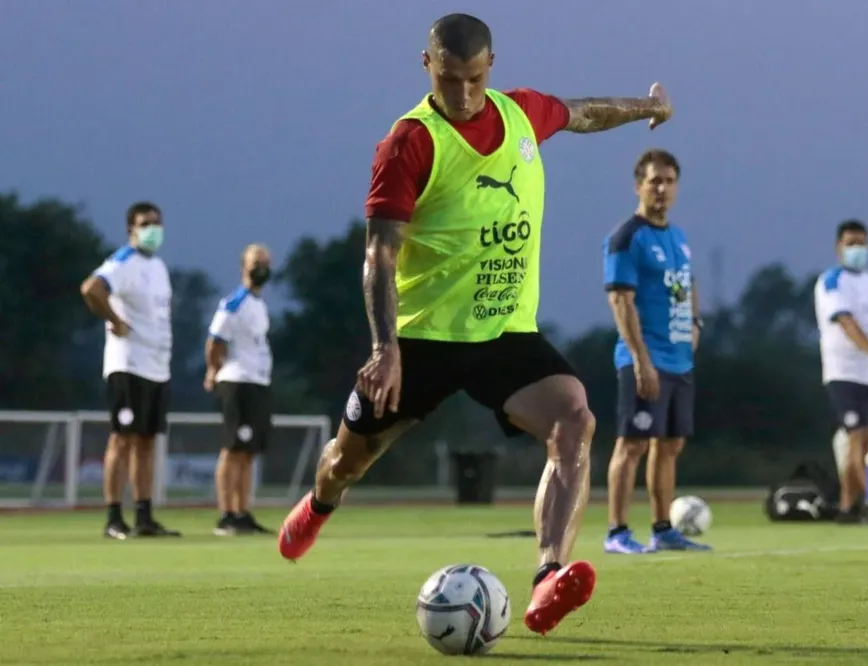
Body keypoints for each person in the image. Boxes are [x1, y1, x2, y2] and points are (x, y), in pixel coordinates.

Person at [277, 12, 673, 635]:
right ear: (427, 65)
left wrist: (644, 106)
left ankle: (547, 578)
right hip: (421, 339)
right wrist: (385, 348)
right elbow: (379, 253)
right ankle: (321, 504)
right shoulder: (410, 142)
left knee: (575, 419)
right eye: (450, 78)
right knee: (347, 461)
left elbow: (582, 112)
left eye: (474, 79)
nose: (462, 94)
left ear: (492, 67)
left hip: (502, 333)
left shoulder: (521, 114)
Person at [601, 149, 711, 554]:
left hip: (679, 359)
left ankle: (663, 529)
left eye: (668, 181)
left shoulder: (678, 237)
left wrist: (696, 324)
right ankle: (616, 532)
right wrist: (640, 359)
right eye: (654, 181)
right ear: (638, 186)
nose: (662, 189)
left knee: (670, 445)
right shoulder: (627, 238)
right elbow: (620, 302)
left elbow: (688, 283)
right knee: (632, 444)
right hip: (644, 359)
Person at [79, 201, 180, 539]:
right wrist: (114, 320)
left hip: (155, 368)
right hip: (129, 365)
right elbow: (91, 288)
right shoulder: (123, 261)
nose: (153, 229)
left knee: (147, 442)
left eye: (157, 222)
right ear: (131, 230)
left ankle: (144, 516)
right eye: (146, 223)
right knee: (122, 439)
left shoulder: (159, 267)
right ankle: (113, 518)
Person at [814, 219, 868, 523]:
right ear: (839, 247)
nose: (857, 249)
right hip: (844, 370)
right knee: (855, 434)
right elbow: (846, 322)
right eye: (850, 243)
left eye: (861, 243)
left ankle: (848, 505)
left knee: (867, 440)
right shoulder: (831, 281)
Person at [204, 244, 275, 536]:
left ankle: (243, 511)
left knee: (249, 451)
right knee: (233, 448)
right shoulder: (235, 302)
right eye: (256, 262)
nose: (261, 267)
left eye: (265, 262)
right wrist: (213, 370)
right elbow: (215, 340)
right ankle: (226, 514)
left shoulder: (259, 304)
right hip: (238, 382)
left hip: (258, 382)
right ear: (243, 266)